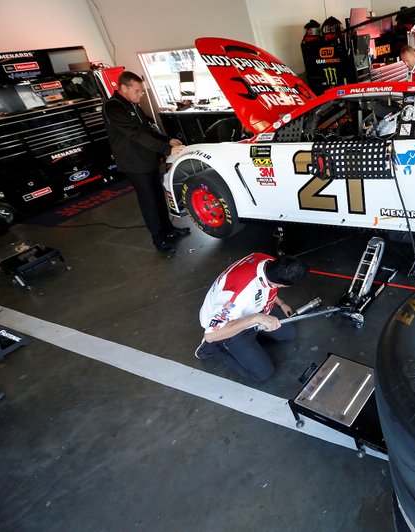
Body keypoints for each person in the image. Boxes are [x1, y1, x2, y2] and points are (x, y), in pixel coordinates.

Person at [103, 71, 189, 254]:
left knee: (158, 196)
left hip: (147, 158)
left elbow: (147, 129)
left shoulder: (133, 105)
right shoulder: (113, 107)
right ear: (124, 88)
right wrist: (166, 149)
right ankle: (159, 239)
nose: (141, 95)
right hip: (134, 163)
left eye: (142, 91)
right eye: (138, 91)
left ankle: (169, 230)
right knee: (149, 201)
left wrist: (167, 140)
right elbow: (134, 134)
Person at [196, 253, 308, 383]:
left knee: (289, 334)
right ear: (281, 285)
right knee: (263, 373)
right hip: (228, 326)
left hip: (256, 309)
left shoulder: (268, 262)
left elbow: (268, 287)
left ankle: (250, 341)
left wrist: (280, 303)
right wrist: (256, 318)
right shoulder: (236, 296)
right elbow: (211, 335)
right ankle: (214, 348)